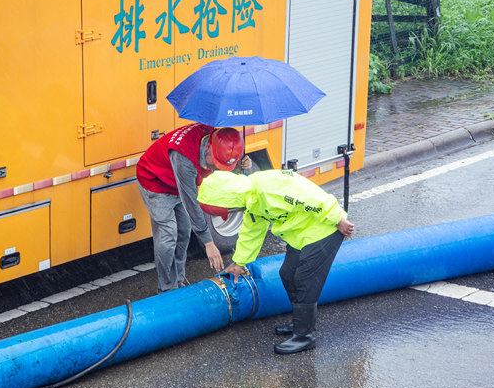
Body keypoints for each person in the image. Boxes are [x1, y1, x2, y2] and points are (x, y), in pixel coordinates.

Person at [197, 169, 355, 354]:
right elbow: (252, 231)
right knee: (287, 273)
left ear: (229, 198)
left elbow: (308, 194)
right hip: (302, 232)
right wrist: (239, 263)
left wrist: (337, 218)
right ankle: (299, 323)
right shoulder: (252, 200)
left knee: (304, 279)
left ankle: (305, 336)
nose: (231, 213)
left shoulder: (269, 189)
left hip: (325, 228)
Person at [136, 123, 249, 294]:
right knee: (168, 234)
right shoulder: (184, 158)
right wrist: (208, 242)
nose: (216, 168)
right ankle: (167, 289)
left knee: (184, 231)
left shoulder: (216, 137)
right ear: (208, 150)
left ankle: (178, 281)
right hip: (155, 182)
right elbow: (191, 202)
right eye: (216, 163)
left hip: (178, 183)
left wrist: (241, 167)